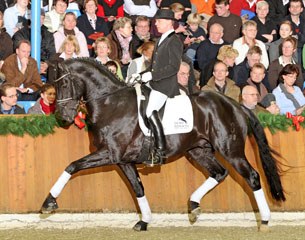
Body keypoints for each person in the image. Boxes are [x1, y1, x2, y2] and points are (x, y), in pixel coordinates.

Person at [143, 9, 183, 165]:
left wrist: (152, 76)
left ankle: (160, 151)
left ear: (168, 22)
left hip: (165, 87)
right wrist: (141, 75)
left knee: (149, 111)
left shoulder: (174, 41)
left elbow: (173, 67)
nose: (156, 23)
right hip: (155, 83)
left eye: (158, 21)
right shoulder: (160, 40)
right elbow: (154, 66)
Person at [12, 9, 56, 76]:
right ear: (32, 18)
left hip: (44, 69)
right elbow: (18, 53)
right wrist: (34, 65)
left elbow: (52, 53)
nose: (40, 21)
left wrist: (47, 64)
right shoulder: (20, 34)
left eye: (42, 18)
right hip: (25, 67)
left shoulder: (48, 35)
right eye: (38, 18)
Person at [197, 23, 228, 87]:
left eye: (216, 33)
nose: (213, 35)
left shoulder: (227, 46)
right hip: (208, 77)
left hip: (225, 78)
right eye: (211, 32)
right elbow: (201, 65)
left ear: (221, 34)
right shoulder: (203, 45)